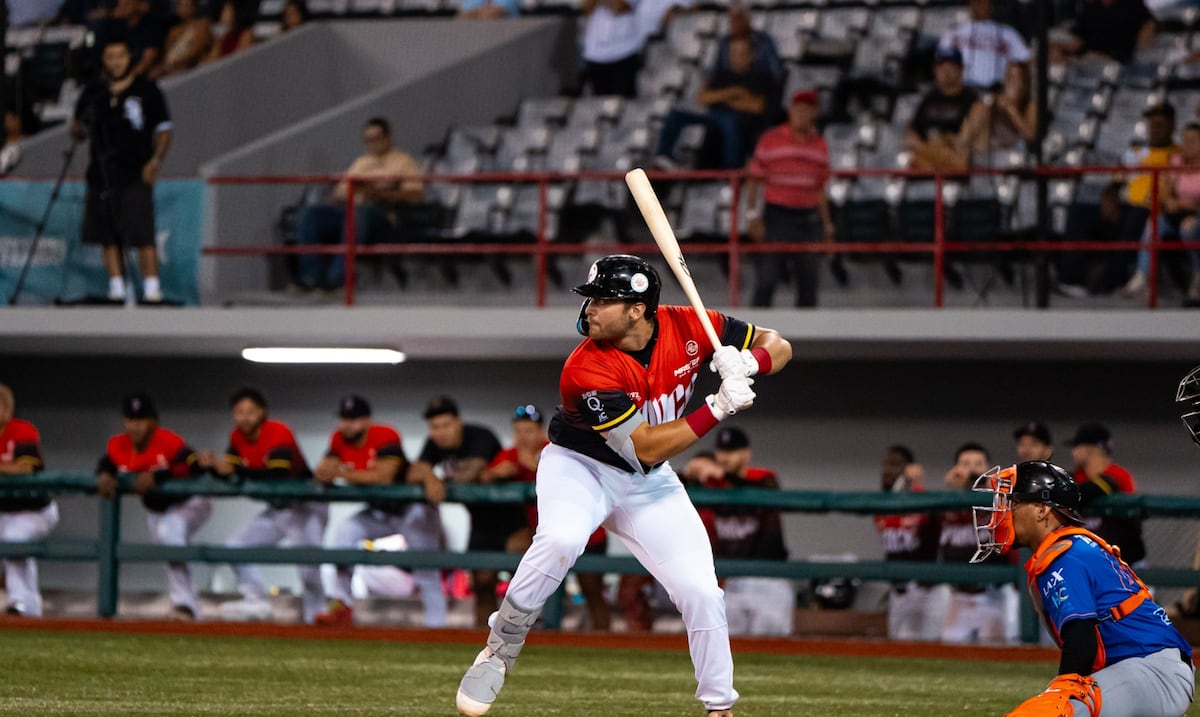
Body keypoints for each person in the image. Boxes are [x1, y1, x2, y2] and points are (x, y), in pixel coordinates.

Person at [455, 254, 793, 717]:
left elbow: (781, 346)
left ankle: (719, 708)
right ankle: (499, 649)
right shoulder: (585, 369)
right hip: (580, 467)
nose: (589, 308)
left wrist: (748, 363)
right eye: (591, 299)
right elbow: (647, 447)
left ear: (638, 309)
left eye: (603, 300)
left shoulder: (693, 325)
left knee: (701, 591)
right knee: (561, 538)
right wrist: (717, 405)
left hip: (649, 485)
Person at [970, 461, 1194, 717]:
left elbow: (1081, 641)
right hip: (1144, 669)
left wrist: (1062, 696)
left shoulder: (1065, 555)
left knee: (1051, 711)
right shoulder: (1068, 546)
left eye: (1013, 503)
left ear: (1042, 510)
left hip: (1150, 670)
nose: (1004, 511)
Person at [312, 395, 446, 628]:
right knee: (345, 533)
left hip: (412, 509)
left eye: (353, 419)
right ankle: (342, 606)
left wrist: (341, 472)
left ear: (366, 420)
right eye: (344, 418)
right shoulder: (338, 438)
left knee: (426, 569)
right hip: (378, 512)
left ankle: (438, 628)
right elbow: (322, 471)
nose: (346, 424)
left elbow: (383, 477)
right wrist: (328, 471)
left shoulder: (384, 435)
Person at [198, 387, 326, 624]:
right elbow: (231, 474)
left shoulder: (278, 431)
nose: (244, 417)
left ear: (262, 412)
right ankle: (255, 601)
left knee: (308, 566)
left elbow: (277, 473)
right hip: (278, 508)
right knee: (236, 546)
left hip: (305, 506)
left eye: (250, 411)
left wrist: (234, 469)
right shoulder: (237, 437)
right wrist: (213, 467)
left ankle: (317, 616)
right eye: (239, 412)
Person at [483, 404, 611, 631]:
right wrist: (493, 474)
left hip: (588, 535)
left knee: (591, 590)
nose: (523, 437)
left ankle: (606, 640)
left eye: (529, 431)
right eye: (519, 431)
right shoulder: (510, 455)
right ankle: (532, 620)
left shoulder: (555, 449)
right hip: (547, 537)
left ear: (541, 431)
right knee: (518, 551)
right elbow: (484, 477)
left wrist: (531, 465)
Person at [71, 39, 173, 304]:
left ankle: (152, 289)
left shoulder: (147, 90)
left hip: (135, 171)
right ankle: (116, 287)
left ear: (130, 58)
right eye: (110, 56)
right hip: (102, 173)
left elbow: (163, 129)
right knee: (107, 233)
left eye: (120, 56)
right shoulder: (95, 93)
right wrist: (80, 128)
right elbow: (77, 129)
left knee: (141, 232)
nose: (115, 61)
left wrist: (156, 161)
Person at [95, 392, 211, 620]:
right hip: (158, 510)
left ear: (153, 422)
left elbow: (195, 466)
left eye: (141, 420)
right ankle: (189, 605)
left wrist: (159, 476)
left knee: (171, 535)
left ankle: (184, 605)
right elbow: (105, 463)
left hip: (192, 501)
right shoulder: (119, 445)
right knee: (169, 547)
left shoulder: (168, 441)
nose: (135, 426)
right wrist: (104, 474)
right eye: (130, 420)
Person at [409, 395, 511, 629]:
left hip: (513, 520)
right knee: (482, 584)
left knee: (526, 587)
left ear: (457, 423)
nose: (441, 432)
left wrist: (441, 479)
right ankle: (483, 641)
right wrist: (429, 477)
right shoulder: (434, 444)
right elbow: (414, 471)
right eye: (435, 427)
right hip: (481, 522)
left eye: (446, 425)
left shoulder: (479, 435)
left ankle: (540, 635)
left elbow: (472, 472)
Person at [292, 117, 423, 293]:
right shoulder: (361, 162)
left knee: (358, 214)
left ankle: (337, 281)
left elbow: (415, 194)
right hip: (349, 210)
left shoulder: (403, 161)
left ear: (388, 137)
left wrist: (377, 192)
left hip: (382, 216)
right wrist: (341, 197)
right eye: (368, 140)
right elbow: (339, 193)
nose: (372, 144)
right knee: (311, 215)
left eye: (376, 139)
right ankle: (310, 278)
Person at [1061, 102, 1178, 297]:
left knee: (1138, 215)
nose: (1154, 128)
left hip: (1151, 211)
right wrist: (1109, 196)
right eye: (1151, 124)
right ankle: (1071, 279)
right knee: (1078, 211)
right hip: (1125, 208)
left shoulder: (1177, 155)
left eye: (1160, 124)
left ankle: (1111, 281)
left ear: (1172, 126)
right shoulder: (1136, 153)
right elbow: (1114, 183)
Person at [744, 90, 834, 308]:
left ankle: (810, 336)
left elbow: (820, 188)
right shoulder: (770, 140)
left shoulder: (820, 145)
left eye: (806, 110)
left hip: (808, 218)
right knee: (767, 277)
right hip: (777, 216)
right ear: (790, 111)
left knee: (809, 280)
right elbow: (754, 179)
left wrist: (827, 224)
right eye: (797, 109)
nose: (801, 114)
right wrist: (753, 215)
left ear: (814, 114)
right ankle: (753, 334)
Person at [702, 426, 793, 637]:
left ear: (746, 453)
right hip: (731, 582)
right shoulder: (714, 484)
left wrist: (721, 474)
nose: (724, 457)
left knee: (773, 651)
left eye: (731, 451)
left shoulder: (763, 477)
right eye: (721, 451)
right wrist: (693, 470)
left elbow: (767, 488)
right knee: (727, 648)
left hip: (769, 579)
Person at [653, 35, 774, 170]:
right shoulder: (721, 74)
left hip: (742, 122)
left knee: (730, 121)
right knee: (676, 114)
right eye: (732, 53)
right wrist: (734, 92)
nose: (736, 57)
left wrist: (722, 98)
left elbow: (758, 106)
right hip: (713, 115)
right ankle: (664, 157)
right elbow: (703, 98)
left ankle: (731, 170)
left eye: (741, 53)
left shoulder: (761, 77)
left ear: (752, 55)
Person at [939, 442, 1013, 644]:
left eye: (979, 463)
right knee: (948, 658)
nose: (972, 469)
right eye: (965, 464)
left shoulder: (1002, 500)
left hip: (991, 595)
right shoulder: (942, 503)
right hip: (956, 597)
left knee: (998, 661)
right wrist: (951, 491)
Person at [1123, 121, 1200, 303]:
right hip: (1178, 214)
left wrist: (1190, 206)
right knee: (1155, 222)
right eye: (1185, 138)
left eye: (1194, 139)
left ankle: (1198, 278)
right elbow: (1164, 192)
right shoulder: (1176, 162)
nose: (1188, 143)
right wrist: (1170, 201)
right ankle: (1143, 277)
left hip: (1196, 216)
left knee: (1189, 229)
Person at [0, 384, 57, 617]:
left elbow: (26, 467)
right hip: (4, 511)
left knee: (14, 540)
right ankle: (29, 609)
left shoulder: (22, 430)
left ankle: (20, 603)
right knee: (16, 549)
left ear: (7, 408)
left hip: (34, 510)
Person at [873, 444, 939, 641]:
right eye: (886, 464)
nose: (887, 470)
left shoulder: (921, 498)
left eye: (895, 465)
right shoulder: (881, 503)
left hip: (922, 590)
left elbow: (931, 528)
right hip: (897, 590)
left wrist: (914, 485)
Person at [1067, 422, 1146, 566]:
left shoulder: (1119, 476)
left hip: (1125, 562)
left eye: (1076, 447)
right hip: (1087, 562)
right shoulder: (1076, 476)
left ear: (1088, 449)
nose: (1073, 452)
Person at [905, 46, 979, 172]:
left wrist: (945, 140)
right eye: (941, 66)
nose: (946, 71)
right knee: (908, 158)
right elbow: (912, 132)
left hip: (954, 152)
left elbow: (970, 137)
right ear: (935, 70)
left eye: (951, 66)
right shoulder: (929, 97)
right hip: (929, 152)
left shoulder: (971, 99)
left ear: (960, 70)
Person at [938, 0, 1030, 91]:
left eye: (984, 2)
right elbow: (940, 64)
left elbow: (1026, 59)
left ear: (990, 4)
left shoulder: (1007, 33)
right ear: (970, 3)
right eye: (976, 1)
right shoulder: (954, 32)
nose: (980, 4)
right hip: (963, 92)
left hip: (996, 91)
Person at [956, 61, 1037, 161]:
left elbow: (1030, 135)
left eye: (1016, 77)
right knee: (979, 108)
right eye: (1008, 76)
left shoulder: (1030, 106)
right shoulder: (993, 103)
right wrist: (988, 106)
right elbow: (969, 133)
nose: (1011, 81)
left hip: (1016, 154)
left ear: (1024, 81)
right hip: (989, 152)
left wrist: (1011, 110)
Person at [1052, 0, 1156, 65]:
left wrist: (1106, 58)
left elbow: (1142, 46)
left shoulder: (1133, 6)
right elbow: (1079, 40)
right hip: (1087, 66)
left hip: (1120, 68)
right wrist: (1059, 47)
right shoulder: (1091, 9)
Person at [580, 0, 643, 98]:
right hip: (596, 54)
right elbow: (587, 7)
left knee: (623, 101)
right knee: (598, 103)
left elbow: (618, 7)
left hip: (623, 52)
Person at [91, 0, 166, 78]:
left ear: (138, 5)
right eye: (120, 4)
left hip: (142, 76)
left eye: (127, 4)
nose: (122, 7)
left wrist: (129, 79)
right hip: (117, 76)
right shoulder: (116, 26)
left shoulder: (151, 25)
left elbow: (148, 59)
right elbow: (107, 54)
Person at [152, 0, 213, 78]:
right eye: (180, 5)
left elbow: (194, 51)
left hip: (197, 70)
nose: (183, 8)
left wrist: (171, 65)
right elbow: (167, 56)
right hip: (174, 71)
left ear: (195, 6)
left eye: (187, 5)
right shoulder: (174, 31)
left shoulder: (203, 25)